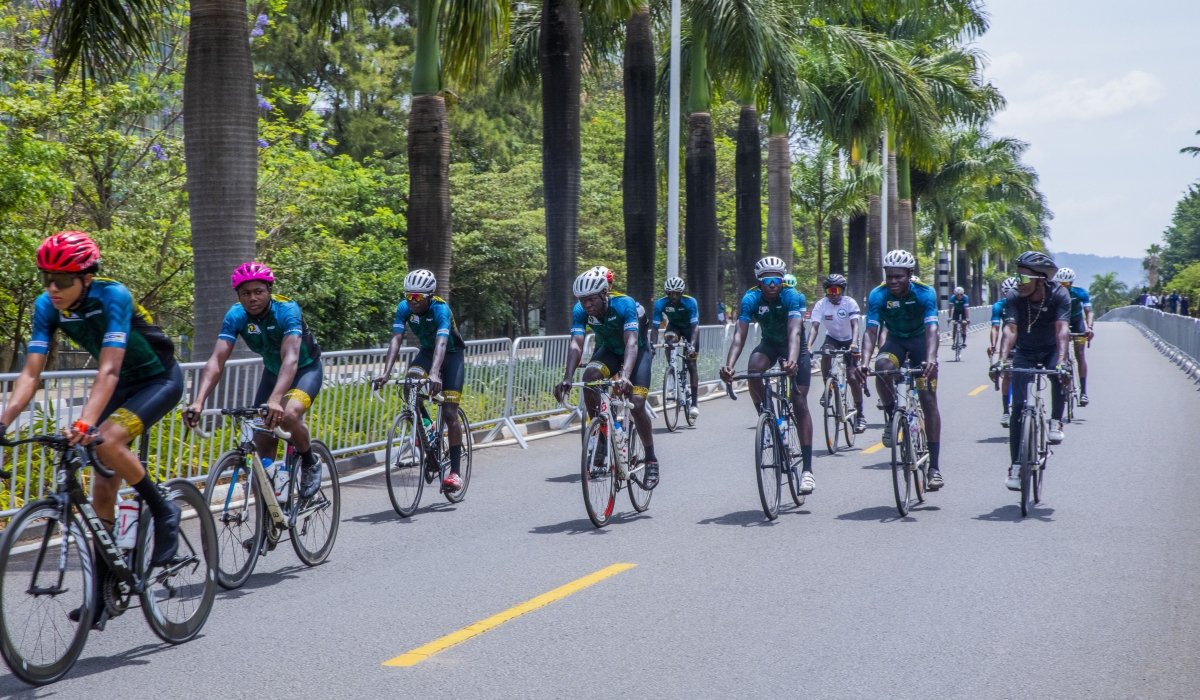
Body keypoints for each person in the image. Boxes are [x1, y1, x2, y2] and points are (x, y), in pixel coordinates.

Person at [0, 231, 183, 631]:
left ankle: (164, 508)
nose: (53, 288)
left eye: (63, 280)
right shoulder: (47, 306)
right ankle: (103, 594)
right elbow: (32, 374)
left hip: (157, 380)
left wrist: (86, 422)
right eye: (46, 277)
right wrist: (3, 420)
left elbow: (109, 368)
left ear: (86, 277)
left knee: (108, 439)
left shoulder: (113, 295)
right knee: (102, 488)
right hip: (118, 388)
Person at [186, 262, 325, 499]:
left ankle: (310, 462)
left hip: (304, 370)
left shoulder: (287, 310)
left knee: (288, 415)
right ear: (239, 295)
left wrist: (275, 399)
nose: (252, 298)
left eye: (258, 292)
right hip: (273, 373)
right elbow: (217, 360)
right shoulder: (236, 315)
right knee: (261, 437)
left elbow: (291, 358)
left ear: (269, 290)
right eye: (245, 293)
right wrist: (198, 401)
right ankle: (270, 507)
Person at [554, 269, 660, 487]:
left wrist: (626, 377)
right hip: (609, 350)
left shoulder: (625, 304)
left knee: (637, 404)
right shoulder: (580, 310)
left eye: (592, 299)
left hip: (637, 352)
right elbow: (576, 343)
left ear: (605, 293)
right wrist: (567, 377)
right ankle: (601, 432)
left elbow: (631, 343)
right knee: (590, 377)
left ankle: (651, 459)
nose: (587, 305)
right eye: (583, 300)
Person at [719, 257, 815, 493]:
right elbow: (739, 336)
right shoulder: (751, 298)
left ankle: (807, 471)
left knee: (799, 402)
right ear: (759, 282)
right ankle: (767, 417)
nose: (772, 284)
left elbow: (794, 332)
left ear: (782, 281)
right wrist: (729, 366)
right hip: (770, 344)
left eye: (777, 280)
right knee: (754, 370)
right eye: (767, 280)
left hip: (795, 348)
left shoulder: (792, 296)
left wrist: (792, 361)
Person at [852, 250, 945, 490]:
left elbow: (933, 329)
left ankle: (934, 468)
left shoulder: (925, 292)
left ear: (910, 274)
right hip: (895, 340)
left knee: (927, 399)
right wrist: (864, 361)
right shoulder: (878, 295)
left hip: (921, 343)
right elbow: (871, 332)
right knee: (882, 368)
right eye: (889, 276)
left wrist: (932, 359)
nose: (892, 281)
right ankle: (893, 415)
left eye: (898, 277)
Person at [367, 270, 467, 492]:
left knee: (450, 413)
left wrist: (434, 373)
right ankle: (428, 425)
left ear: (429, 295)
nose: (411, 301)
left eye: (417, 297)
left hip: (451, 355)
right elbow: (396, 339)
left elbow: (442, 341)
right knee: (408, 386)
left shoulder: (441, 309)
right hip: (427, 352)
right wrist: (385, 372)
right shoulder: (404, 308)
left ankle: (455, 473)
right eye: (408, 296)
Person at [996, 251, 1071, 491]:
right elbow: (1010, 329)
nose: (1019, 283)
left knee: (1059, 372)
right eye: (1018, 277)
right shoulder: (1014, 295)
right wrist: (1000, 359)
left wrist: (1061, 361)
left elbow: (1062, 330)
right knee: (1018, 408)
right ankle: (1016, 465)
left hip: (1051, 349)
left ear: (1041, 279)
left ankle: (1056, 422)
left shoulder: (1059, 294)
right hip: (1025, 351)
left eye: (1025, 278)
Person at [808, 273, 866, 433]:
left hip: (850, 339)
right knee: (826, 352)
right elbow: (814, 327)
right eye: (830, 290)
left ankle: (860, 415)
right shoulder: (821, 304)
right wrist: (808, 346)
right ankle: (829, 387)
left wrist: (854, 344)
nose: (833, 294)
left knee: (853, 377)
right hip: (833, 337)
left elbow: (855, 325)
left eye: (837, 290)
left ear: (842, 290)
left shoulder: (849, 303)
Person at [651, 277, 701, 419]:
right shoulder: (660, 304)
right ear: (666, 293)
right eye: (670, 293)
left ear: (681, 293)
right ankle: (671, 368)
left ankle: (695, 404)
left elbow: (695, 326)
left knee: (691, 363)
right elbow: (655, 328)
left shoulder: (690, 302)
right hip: (674, 327)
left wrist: (691, 345)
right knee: (669, 340)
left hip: (690, 329)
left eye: (676, 294)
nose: (673, 297)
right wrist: (652, 346)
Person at [1053, 267, 1094, 406]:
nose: (1063, 287)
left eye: (1066, 284)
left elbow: (1088, 312)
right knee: (1059, 355)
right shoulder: (1053, 293)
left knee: (1080, 354)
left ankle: (1083, 392)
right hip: (1060, 321)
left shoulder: (1080, 292)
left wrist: (1089, 327)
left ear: (1071, 283)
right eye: (1061, 284)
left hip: (1077, 322)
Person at [988, 277, 1019, 426]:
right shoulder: (999, 306)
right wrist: (993, 345)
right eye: (1008, 293)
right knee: (1007, 375)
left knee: (1027, 374)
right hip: (1009, 344)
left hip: (1025, 343)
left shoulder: (1026, 303)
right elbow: (995, 328)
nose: (1011, 295)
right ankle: (1006, 411)